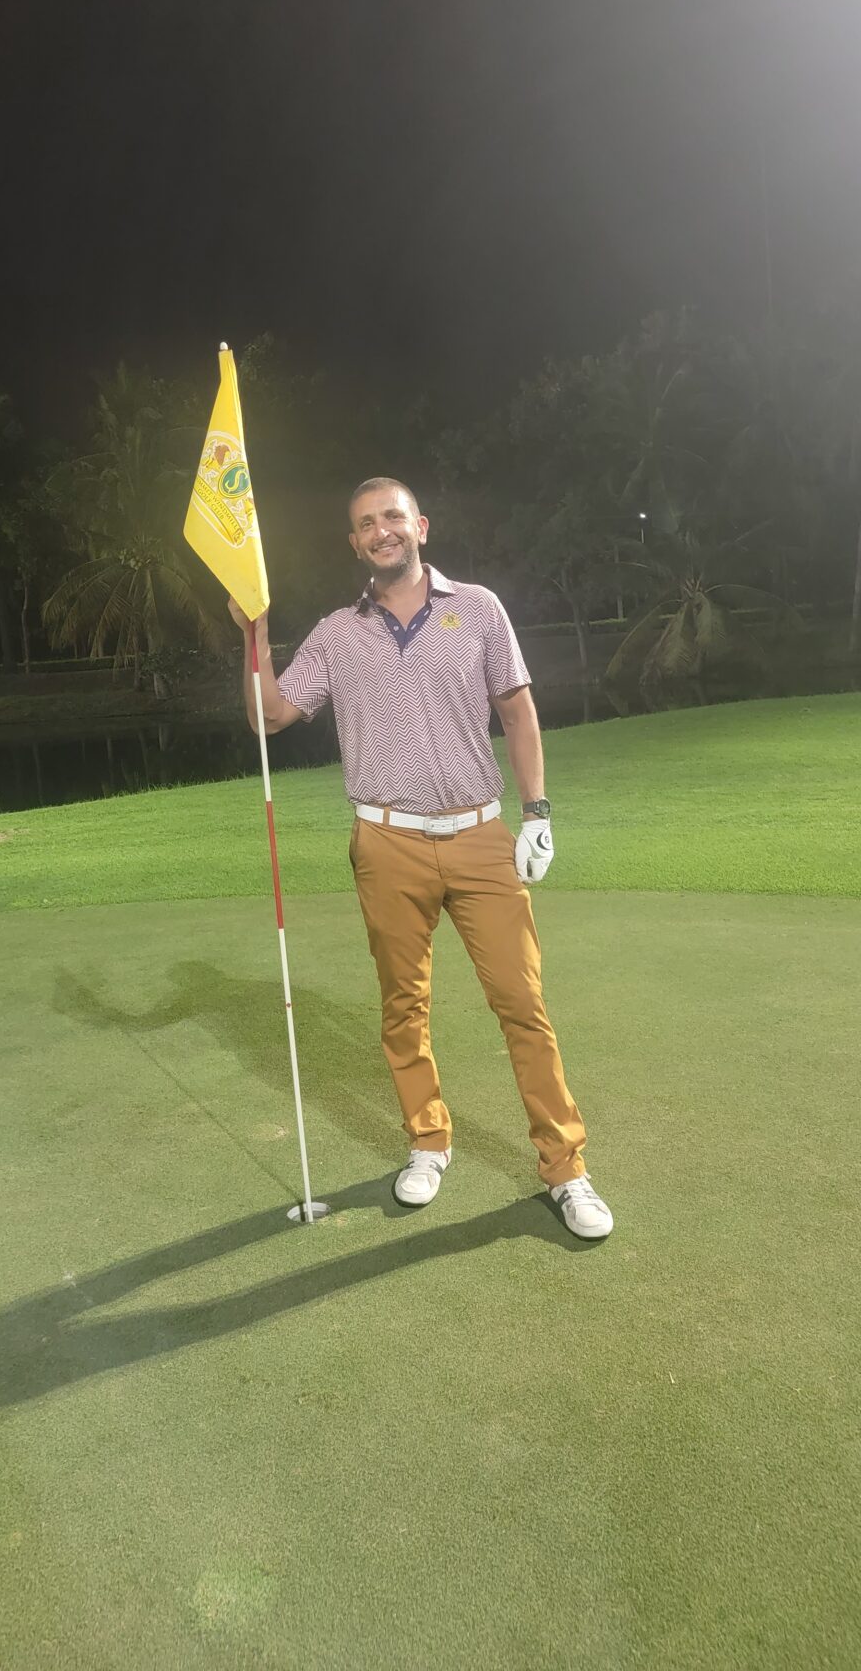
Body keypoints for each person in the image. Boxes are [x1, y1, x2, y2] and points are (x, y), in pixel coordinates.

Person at [227, 477, 613, 1240]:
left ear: (421, 527)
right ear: (355, 543)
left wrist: (536, 814)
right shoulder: (339, 633)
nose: (382, 531)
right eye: (366, 524)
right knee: (403, 1007)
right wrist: (254, 631)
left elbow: (518, 710)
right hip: (386, 842)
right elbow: (270, 715)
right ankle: (427, 1142)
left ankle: (567, 1168)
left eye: (393, 517)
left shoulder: (478, 608)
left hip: (478, 838)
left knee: (522, 1006)